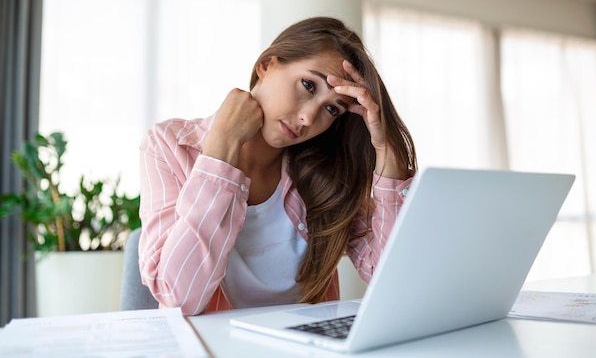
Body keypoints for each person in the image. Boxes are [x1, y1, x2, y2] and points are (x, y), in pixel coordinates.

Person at [138, 16, 417, 316]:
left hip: (310, 347)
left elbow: (393, 279)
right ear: (267, 65)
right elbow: (178, 298)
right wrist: (220, 151)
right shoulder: (170, 145)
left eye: (331, 109)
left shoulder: (327, 173)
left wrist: (387, 149)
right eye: (309, 85)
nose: (309, 118)